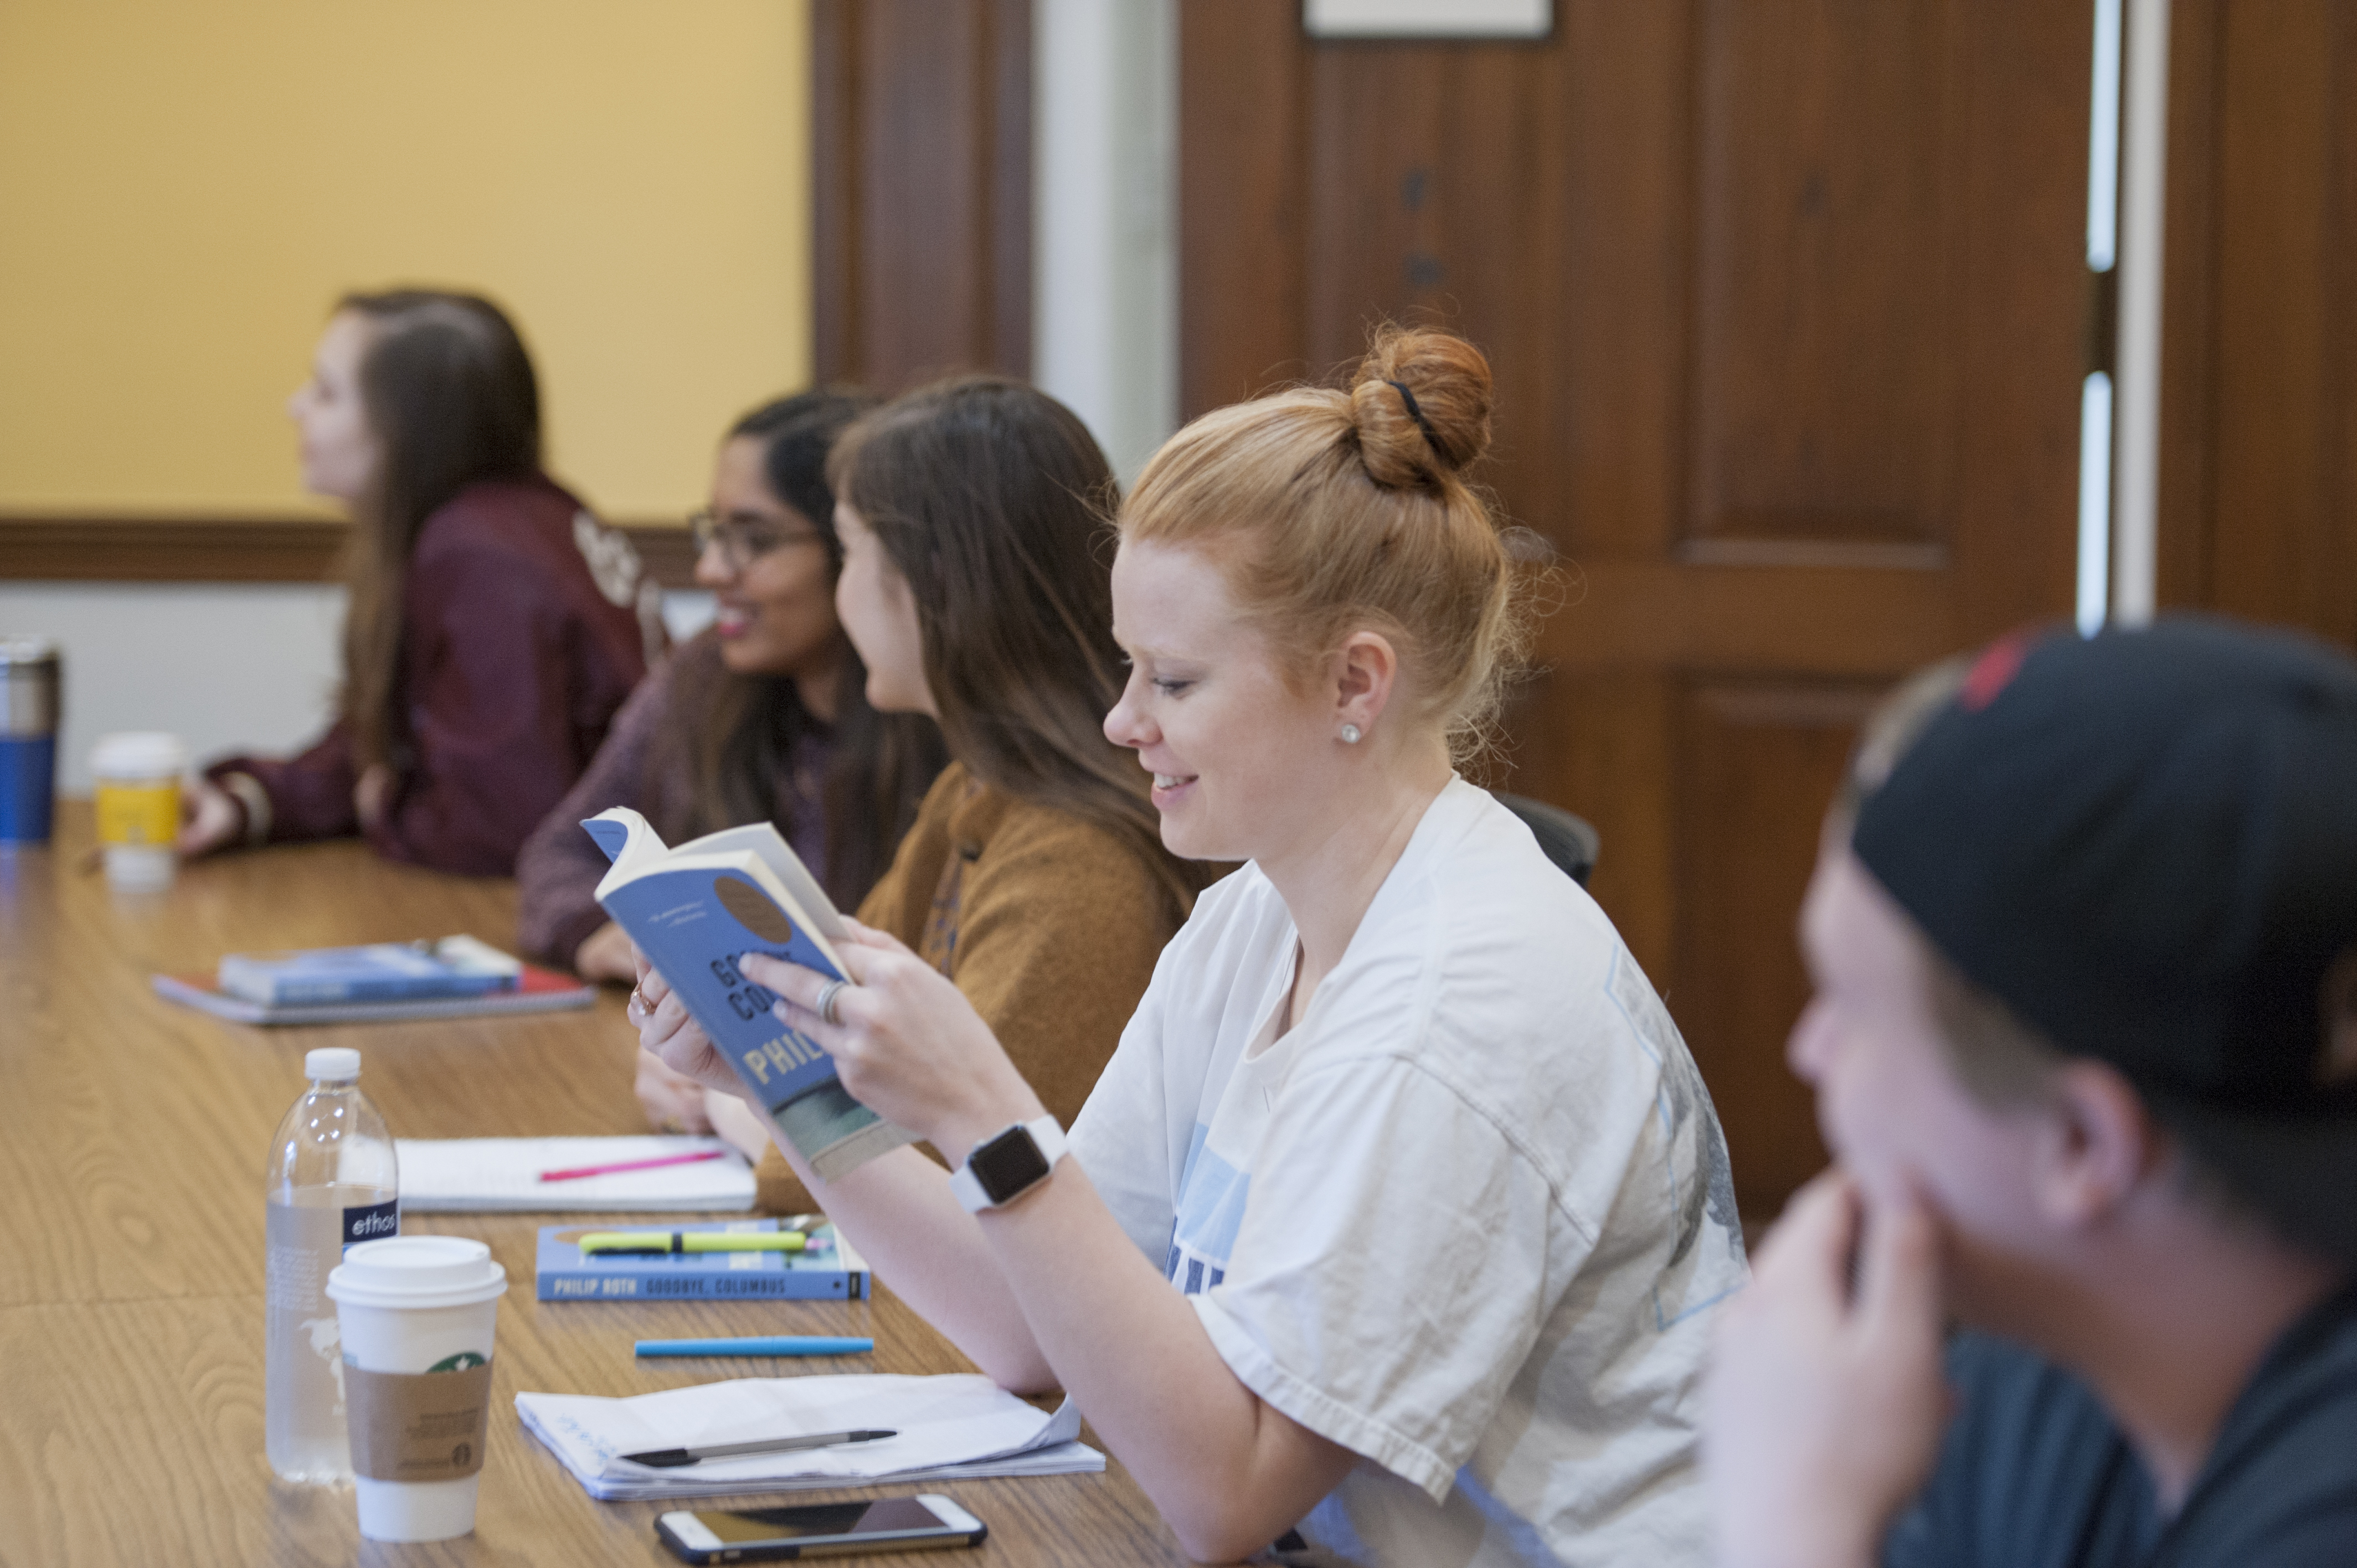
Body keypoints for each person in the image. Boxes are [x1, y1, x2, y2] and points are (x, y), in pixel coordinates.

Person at [635, 329, 1747, 1564]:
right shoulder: (1254, 915)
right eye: (1127, 670)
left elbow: (1228, 1495)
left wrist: (985, 1113)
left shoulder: (1453, 1013)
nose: (1123, 722)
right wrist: (784, 1079)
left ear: (1354, 686)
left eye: (1172, 681)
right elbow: (1030, 1324)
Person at [1703, 617, 2357, 1568]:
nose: (1809, 1048)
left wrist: (1792, 1531)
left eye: (1847, 1002)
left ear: (2082, 1143)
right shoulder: (2046, 1377)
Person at [636, 374, 1213, 1208]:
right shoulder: (975, 791)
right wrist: (727, 1073)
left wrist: (744, 1112)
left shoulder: (1074, 857)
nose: (843, 595)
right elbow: (827, 1032)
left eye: (852, 553)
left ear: (929, 577)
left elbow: (953, 1177)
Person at [179, 289, 656, 875]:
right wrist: (252, 803)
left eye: (326, 392)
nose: (294, 407)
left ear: (407, 428)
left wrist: (385, 808)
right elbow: (385, 743)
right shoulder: (523, 515)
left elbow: (499, 827)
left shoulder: (479, 556)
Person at [514, 389, 945, 985]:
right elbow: (562, 851)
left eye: (755, 539)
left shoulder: (939, 724)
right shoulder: (704, 674)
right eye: (714, 531)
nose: (711, 570)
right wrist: (597, 930)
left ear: (857, 550)